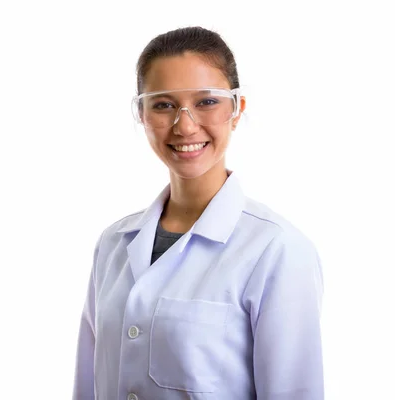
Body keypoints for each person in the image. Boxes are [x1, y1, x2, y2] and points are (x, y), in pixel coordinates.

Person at [72, 26, 324, 400]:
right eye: (163, 104)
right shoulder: (113, 244)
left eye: (207, 101)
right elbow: (87, 386)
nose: (185, 125)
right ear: (141, 113)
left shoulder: (277, 250)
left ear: (236, 109)